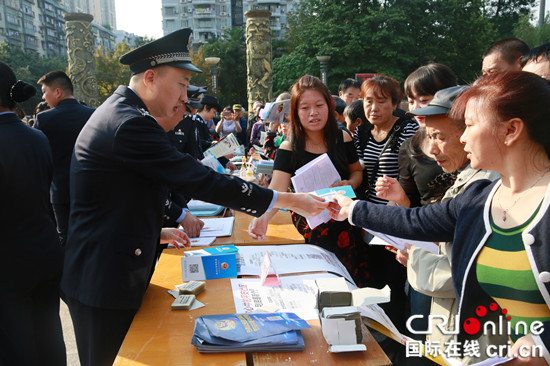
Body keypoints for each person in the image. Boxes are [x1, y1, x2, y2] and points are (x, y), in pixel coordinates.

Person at [61, 28, 328, 366]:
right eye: (183, 85)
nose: (185, 98)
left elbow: (117, 198)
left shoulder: (124, 113)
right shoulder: (128, 123)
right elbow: (197, 179)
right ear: (150, 77)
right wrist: (289, 200)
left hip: (113, 268)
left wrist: (156, 231)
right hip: (104, 282)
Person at [331, 71, 550, 365]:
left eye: (469, 125)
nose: (462, 137)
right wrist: (351, 209)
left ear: (511, 130)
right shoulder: (482, 196)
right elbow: (419, 221)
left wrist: (540, 345)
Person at [377, 85, 499, 363]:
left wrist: (416, 258)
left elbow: (467, 274)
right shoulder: (469, 177)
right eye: (428, 136)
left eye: (440, 137)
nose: (431, 149)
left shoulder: (487, 187)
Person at [249, 75, 371, 287]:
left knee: (347, 288)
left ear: (329, 107)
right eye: (305, 107)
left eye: (319, 105)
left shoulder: (343, 139)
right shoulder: (289, 147)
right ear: (295, 112)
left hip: (344, 226)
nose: (313, 113)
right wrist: (264, 217)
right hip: (308, 231)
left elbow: (357, 173)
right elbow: (276, 190)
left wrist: (349, 184)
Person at [0, 62, 66, 365]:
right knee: (49, 338)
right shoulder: (35, 136)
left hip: (8, 264)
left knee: (16, 347)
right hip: (44, 252)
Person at [34, 70, 95, 247]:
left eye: (45, 91)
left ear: (57, 92)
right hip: (92, 189)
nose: (44, 97)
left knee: (66, 239)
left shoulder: (44, 119)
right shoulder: (93, 115)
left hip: (61, 192)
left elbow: (40, 158)